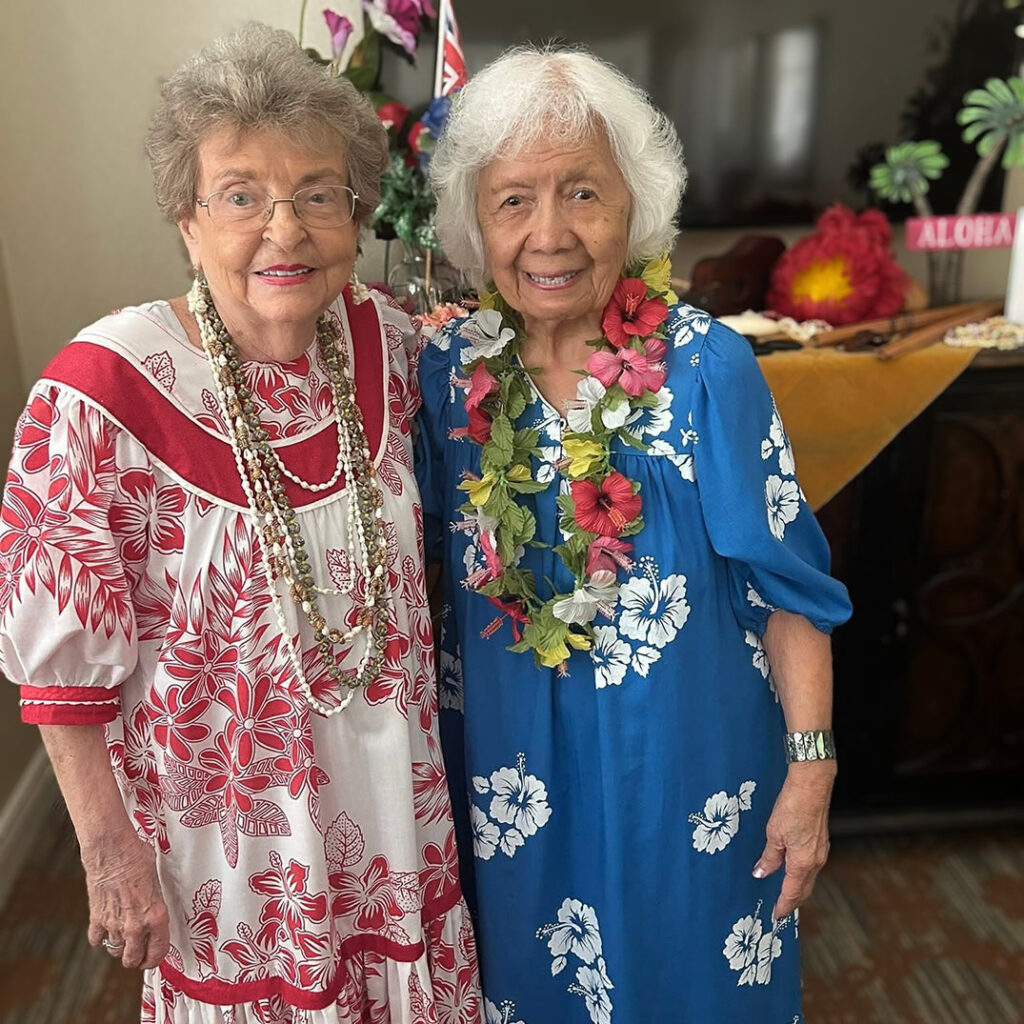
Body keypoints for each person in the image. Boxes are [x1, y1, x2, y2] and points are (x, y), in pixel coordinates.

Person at [0, 23, 480, 1024]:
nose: (285, 229)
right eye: (241, 195)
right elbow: (60, 675)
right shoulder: (100, 392)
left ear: (356, 214)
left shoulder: (394, 347)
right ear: (187, 220)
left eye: (318, 194)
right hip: (227, 852)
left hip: (397, 823)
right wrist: (107, 850)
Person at [416, 47, 852, 1023]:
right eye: (514, 200)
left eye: (583, 192)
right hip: (509, 791)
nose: (550, 234)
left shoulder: (707, 370)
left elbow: (790, 590)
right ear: (476, 222)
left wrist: (812, 771)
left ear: (635, 204)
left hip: (686, 791)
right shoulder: (445, 377)